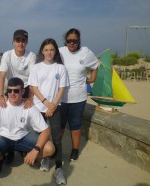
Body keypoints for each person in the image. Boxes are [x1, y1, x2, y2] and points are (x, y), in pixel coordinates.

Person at [0, 77, 55, 175]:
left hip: (23, 137)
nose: (12, 93)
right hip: (3, 138)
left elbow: (46, 130)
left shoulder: (29, 106)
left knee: (50, 148)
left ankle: (28, 154)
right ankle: (0, 158)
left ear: (23, 91)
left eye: (16, 91)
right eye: (9, 90)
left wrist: (35, 150)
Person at [28, 38, 69, 185]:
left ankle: (58, 168)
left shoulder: (60, 68)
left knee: (57, 138)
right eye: (46, 50)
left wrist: (53, 106)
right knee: (42, 137)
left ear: (55, 51)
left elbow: (61, 88)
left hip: (55, 108)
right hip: (39, 108)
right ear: (42, 52)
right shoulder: (36, 67)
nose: (49, 52)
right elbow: (34, 88)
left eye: (52, 49)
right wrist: (46, 103)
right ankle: (45, 159)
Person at [59, 28, 98, 161]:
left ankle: (75, 150)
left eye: (75, 41)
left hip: (79, 98)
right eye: (69, 40)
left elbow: (95, 65)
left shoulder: (85, 52)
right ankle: (57, 149)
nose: (72, 43)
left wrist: (92, 79)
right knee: (60, 125)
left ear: (79, 41)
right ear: (65, 41)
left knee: (75, 125)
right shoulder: (60, 51)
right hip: (61, 97)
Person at [0, 29, 36, 163]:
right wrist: (1, 95)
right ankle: (9, 150)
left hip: (25, 88)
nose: (20, 43)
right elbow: (2, 76)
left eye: (23, 40)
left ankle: (24, 148)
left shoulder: (31, 56)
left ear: (27, 42)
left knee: (26, 118)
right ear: (13, 41)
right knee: (9, 117)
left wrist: (30, 98)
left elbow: (33, 77)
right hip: (12, 88)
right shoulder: (7, 55)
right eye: (18, 40)